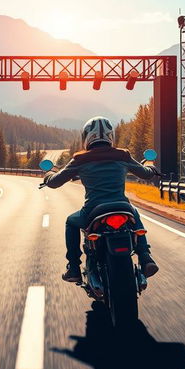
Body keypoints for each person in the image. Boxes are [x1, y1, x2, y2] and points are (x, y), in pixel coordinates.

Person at [43, 116, 160, 282]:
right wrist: (151, 167)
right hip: (121, 206)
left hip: (93, 210)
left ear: (86, 137)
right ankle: (145, 257)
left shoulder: (79, 159)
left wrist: (48, 175)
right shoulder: (122, 155)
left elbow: (55, 183)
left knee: (71, 222)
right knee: (134, 213)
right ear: (110, 136)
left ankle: (74, 268)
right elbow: (146, 174)